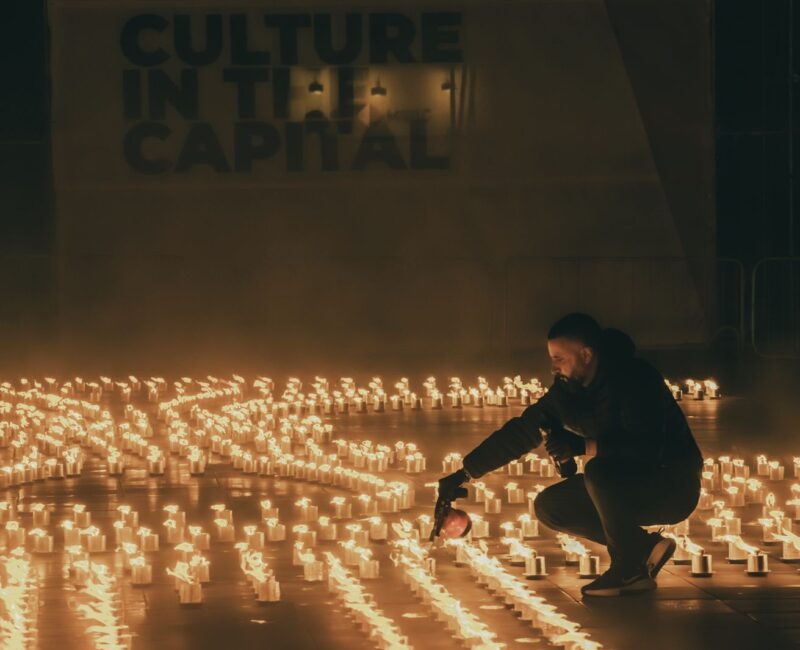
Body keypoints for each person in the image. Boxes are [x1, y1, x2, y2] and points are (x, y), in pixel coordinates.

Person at [437, 312, 703, 597]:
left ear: (586, 354)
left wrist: (583, 447)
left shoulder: (634, 379)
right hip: (622, 482)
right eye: (552, 358)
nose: (553, 367)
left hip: (670, 484)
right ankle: (642, 548)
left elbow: (648, 448)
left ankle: (629, 571)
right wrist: (464, 473)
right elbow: (522, 431)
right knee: (551, 506)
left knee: (599, 471)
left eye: (559, 358)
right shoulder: (568, 391)